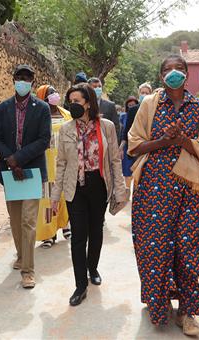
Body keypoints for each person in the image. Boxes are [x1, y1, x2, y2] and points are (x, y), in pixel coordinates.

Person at [128, 55, 199, 336]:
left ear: (187, 74)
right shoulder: (149, 104)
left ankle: (187, 312)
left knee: (190, 249)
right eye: (167, 69)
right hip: (153, 187)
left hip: (190, 189)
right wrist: (164, 141)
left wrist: (183, 140)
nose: (173, 73)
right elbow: (134, 145)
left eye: (178, 68)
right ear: (160, 75)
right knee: (154, 248)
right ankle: (159, 304)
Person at [51, 83, 127, 307]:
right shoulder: (65, 129)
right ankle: (80, 285)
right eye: (70, 101)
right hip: (74, 188)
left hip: (99, 185)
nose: (73, 105)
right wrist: (56, 196)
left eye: (77, 101)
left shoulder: (107, 127)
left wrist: (120, 190)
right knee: (78, 236)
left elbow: (114, 159)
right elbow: (61, 163)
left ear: (88, 103)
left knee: (96, 231)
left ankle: (92, 267)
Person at [0, 64, 51, 289]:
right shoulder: (2, 108)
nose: (23, 81)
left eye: (27, 78)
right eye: (19, 77)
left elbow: (44, 140)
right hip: (10, 172)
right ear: (13, 80)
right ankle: (20, 255)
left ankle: (28, 270)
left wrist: (20, 159)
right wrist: (10, 159)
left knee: (28, 220)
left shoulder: (42, 108)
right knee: (15, 220)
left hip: (32, 172)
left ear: (32, 82)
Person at [35, 85, 72, 249]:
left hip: (65, 162)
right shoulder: (38, 116)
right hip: (46, 163)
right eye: (50, 93)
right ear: (42, 97)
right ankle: (49, 234)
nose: (55, 95)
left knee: (65, 194)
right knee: (48, 198)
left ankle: (65, 225)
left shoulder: (66, 114)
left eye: (55, 91)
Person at [120, 84, 153, 190]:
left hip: (150, 146)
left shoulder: (154, 108)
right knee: (133, 172)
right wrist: (122, 146)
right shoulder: (133, 110)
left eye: (147, 93)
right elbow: (127, 130)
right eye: (142, 93)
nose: (144, 95)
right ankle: (133, 193)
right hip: (135, 146)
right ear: (139, 94)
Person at [87, 77, 120, 142]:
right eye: (95, 87)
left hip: (106, 142)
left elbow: (116, 126)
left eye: (99, 86)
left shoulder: (110, 105)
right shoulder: (84, 105)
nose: (98, 89)